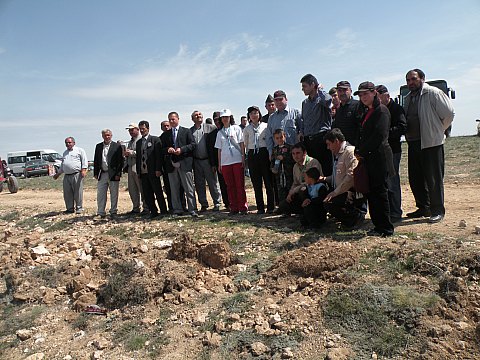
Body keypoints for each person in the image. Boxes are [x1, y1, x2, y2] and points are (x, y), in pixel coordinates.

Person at [404, 69, 455, 223]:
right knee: (416, 178)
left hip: (431, 143)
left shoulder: (433, 93)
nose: (410, 82)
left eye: (413, 79)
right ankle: (423, 207)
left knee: (433, 179)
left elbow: (449, 114)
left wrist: (439, 130)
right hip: (413, 143)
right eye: (408, 80)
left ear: (422, 79)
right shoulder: (407, 98)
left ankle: (437, 210)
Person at [354, 82, 395, 237]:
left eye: (366, 94)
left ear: (374, 93)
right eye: (360, 95)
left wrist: (362, 151)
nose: (363, 97)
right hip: (369, 158)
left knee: (380, 192)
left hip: (380, 157)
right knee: (372, 193)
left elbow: (379, 135)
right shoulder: (368, 111)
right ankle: (378, 226)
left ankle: (386, 228)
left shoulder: (381, 111)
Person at [376, 85, 407, 223]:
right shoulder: (378, 110)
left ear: (387, 96)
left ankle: (396, 212)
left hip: (393, 150)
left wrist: (385, 134)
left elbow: (402, 127)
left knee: (392, 182)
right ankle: (388, 212)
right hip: (381, 151)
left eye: (379, 97)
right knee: (384, 182)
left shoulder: (396, 109)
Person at [322, 128, 364, 228]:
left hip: (352, 191)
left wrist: (335, 193)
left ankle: (354, 218)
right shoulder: (338, 154)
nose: (328, 148)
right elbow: (339, 175)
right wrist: (325, 179)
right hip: (341, 190)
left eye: (329, 144)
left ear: (336, 141)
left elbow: (350, 176)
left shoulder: (350, 152)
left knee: (330, 202)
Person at [160, 112, 198, 217]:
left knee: (188, 188)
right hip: (172, 165)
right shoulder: (165, 135)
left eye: (173, 119)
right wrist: (168, 149)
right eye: (170, 119)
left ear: (178, 119)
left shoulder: (186, 131)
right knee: (174, 189)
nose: (172, 121)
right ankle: (177, 209)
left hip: (184, 163)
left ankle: (192, 209)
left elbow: (193, 145)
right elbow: (161, 149)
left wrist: (182, 149)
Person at [214, 109, 248, 215]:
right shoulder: (219, 133)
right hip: (225, 162)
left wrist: (243, 157)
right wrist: (219, 163)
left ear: (230, 118)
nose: (225, 119)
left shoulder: (237, 128)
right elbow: (219, 149)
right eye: (223, 117)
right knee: (230, 186)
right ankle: (233, 207)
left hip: (237, 160)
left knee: (239, 185)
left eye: (227, 117)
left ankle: (243, 207)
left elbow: (242, 144)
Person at [299, 73, 333, 176]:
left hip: (322, 139)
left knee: (326, 169)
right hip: (309, 141)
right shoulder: (305, 103)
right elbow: (304, 120)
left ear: (313, 85)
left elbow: (328, 101)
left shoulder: (322, 98)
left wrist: (320, 90)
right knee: (313, 171)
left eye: (304, 86)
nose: (302, 89)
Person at [275, 143, 322, 216]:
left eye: (298, 153)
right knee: (283, 205)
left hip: (314, 192)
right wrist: (291, 192)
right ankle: (302, 212)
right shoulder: (295, 166)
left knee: (303, 189)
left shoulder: (313, 162)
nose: (295, 156)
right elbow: (295, 182)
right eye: (293, 154)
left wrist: (295, 190)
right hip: (300, 193)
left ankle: (309, 212)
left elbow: (312, 182)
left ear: (304, 153)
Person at [243, 106, 274, 214]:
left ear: (259, 114)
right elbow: (246, 144)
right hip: (252, 154)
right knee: (256, 183)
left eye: (256, 113)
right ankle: (260, 207)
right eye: (251, 114)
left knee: (268, 181)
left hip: (264, 153)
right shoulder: (247, 129)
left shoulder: (265, 126)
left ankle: (271, 206)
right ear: (249, 116)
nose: (254, 115)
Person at [190, 110, 222, 212]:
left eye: (200, 114)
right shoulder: (190, 131)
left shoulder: (211, 128)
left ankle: (217, 203)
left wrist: (214, 163)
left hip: (208, 160)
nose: (198, 116)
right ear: (192, 119)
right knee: (199, 184)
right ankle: (203, 204)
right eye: (196, 115)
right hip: (196, 161)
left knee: (213, 182)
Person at [136, 120, 168, 219]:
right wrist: (138, 171)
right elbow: (138, 158)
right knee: (147, 193)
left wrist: (158, 169)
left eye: (143, 129)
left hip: (153, 171)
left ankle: (163, 211)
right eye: (140, 129)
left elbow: (158, 156)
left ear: (148, 129)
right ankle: (153, 211)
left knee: (158, 191)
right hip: (143, 171)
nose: (142, 131)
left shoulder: (155, 140)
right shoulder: (139, 143)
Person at [93, 129, 123, 218]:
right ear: (102, 136)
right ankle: (101, 212)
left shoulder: (116, 146)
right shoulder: (98, 146)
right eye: (105, 135)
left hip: (113, 174)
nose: (107, 137)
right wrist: (95, 173)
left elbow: (120, 161)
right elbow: (96, 160)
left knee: (114, 193)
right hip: (102, 173)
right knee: (101, 193)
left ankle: (113, 211)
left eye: (109, 135)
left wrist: (118, 174)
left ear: (111, 136)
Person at [53, 137, 88, 214]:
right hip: (67, 175)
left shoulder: (79, 150)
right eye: (66, 143)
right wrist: (58, 174)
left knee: (77, 192)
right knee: (67, 193)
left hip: (76, 174)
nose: (68, 144)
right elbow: (63, 165)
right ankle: (69, 209)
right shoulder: (65, 153)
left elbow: (84, 160)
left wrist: (84, 170)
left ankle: (79, 208)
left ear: (74, 143)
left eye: (69, 142)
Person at [266, 90, 302, 157]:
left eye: (281, 99)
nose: (279, 102)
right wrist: (270, 152)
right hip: (278, 154)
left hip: (294, 153)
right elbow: (269, 137)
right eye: (276, 100)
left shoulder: (296, 113)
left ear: (286, 99)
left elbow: (302, 131)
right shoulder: (271, 118)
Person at [124, 123, 148, 215]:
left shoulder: (141, 140)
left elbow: (142, 152)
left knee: (141, 188)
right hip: (130, 166)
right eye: (129, 130)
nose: (130, 132)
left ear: (137, 129)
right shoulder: (130, 141)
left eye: (132, 129)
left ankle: (146, 207)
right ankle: (136, 207)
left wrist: (132, 153)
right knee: (132, 189)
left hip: (138, 166)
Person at [333, 81, 362, 146]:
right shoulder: (338, 109)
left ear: (350, 91)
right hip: (342, 148)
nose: (342, 93)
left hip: (356, 147)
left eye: (345, 90)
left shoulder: (358, 105)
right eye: (340, 90)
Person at [270, 129, 294, 203]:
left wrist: (284, 158)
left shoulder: (290, 148)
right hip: (279, 175)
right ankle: (283, 207)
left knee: (290, 189)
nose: (279, 139)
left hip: (289, 174)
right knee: (280, 191)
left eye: (281, 137)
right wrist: (272, 169)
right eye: (277, 138)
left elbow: (293, 160)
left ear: (284, 136)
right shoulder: (274, 150)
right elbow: (272, 162)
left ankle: (292, 207)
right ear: (274, 139)